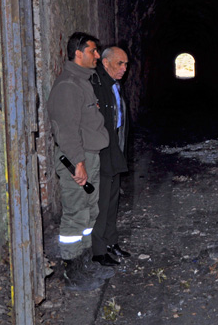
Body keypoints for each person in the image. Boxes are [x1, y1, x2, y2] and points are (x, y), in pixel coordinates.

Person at [47, 32, 112, 291]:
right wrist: (78, 163)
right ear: (78, 53)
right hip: (77, 158)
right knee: (75, 213)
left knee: (89, 210)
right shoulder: (68, 86)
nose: (98, 55)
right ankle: (72, 270)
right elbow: (66, 130)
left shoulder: (84, 82)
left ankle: (85, 262)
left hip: (89, 156)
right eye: (93, 51)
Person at [91, 46, 131, 266]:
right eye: (120, 64)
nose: (124, 69)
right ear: (105, 63)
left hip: (116, 148)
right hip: (103, 151)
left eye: (126, 64)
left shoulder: (115, 85)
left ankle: (111, 241)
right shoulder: (97, 86)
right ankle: (98, 250)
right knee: (101, 201)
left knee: (113, 199)